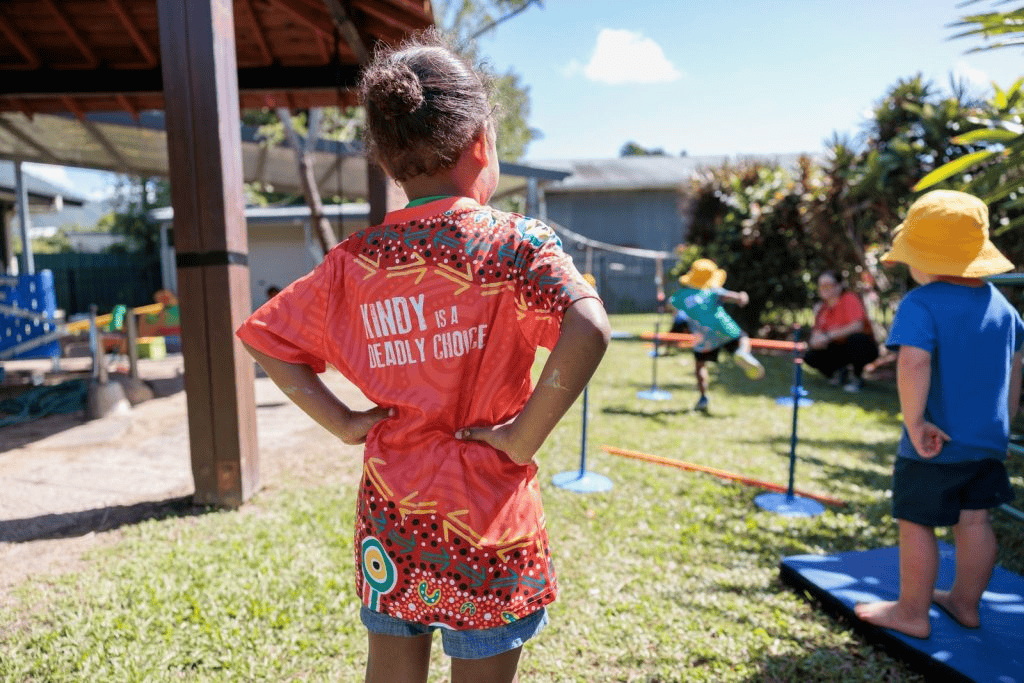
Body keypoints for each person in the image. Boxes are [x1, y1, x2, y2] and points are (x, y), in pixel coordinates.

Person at [236, 29, 610, 683]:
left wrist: (346, 423)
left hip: (392, 520)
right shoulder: (517, 245)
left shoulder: (353, 263)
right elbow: (589, 325)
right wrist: (522, 439)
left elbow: (268, 340)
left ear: (387, 161)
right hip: (488, 522)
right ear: (482, 142)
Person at [854, 189, 1022, 639]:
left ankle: (911, 612)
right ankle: (966, 605)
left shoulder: (921, 304)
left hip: (934, 442)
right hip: (988, 441)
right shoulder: (1004, 310)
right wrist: (1001, 427)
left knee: (917, 522)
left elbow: (913, 363)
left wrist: (915, 423)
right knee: (976, 521)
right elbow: (1014, 371)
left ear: (926, 259)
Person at [670, 258, 764, 412]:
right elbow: (738, 299)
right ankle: (742, 352)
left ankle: (703, 398)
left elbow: (671, 306)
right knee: (743, 338)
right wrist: (743, 296)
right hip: (724, 329)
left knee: (700, 366)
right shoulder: (714, 291)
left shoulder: (683, 296)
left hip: (703, 336)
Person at [803, 271, 879, 393]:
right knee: (810, 355)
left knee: (856, 339)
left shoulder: (849, 298)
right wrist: (814, 341)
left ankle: (857, 377)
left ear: (838, 286)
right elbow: (816, 334)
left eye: (828, 285)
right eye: (821, 285)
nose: (823, 289)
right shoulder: (822, 308)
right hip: (837, 347)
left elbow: (857, 326)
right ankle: (838, 373)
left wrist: (828, 336)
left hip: (862, 346)